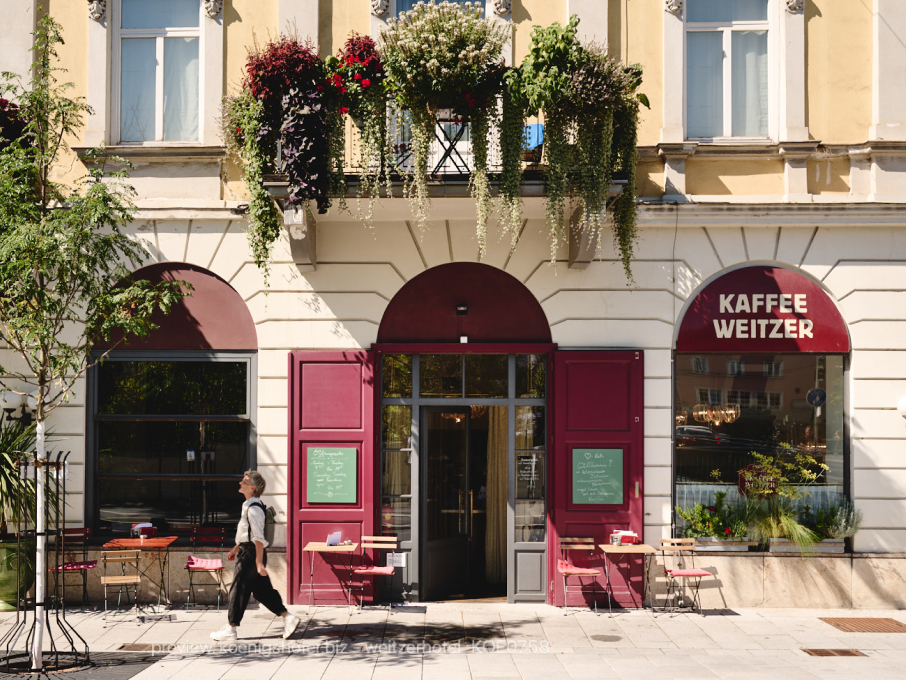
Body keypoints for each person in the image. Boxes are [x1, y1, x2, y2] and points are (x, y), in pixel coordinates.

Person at [210, 470, 300, 641]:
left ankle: (231, 628)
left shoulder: (253, 509)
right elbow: (248, 533)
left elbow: (258, 538)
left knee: (237, 589)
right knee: (261, 591)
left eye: (244, 481)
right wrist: (235, 549)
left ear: (252, 488)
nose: (240, 483)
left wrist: (259, 563)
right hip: (248, 551)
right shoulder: (250, 505)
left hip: (250, 555)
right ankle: (288, 617)